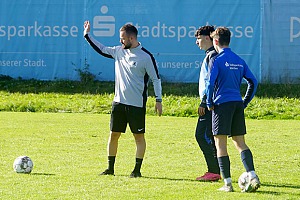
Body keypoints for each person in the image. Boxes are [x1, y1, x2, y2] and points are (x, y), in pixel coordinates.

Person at [83, 21, 163, 178]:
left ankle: (137, 170)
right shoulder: (118, 51)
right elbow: (102, 49)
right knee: (113, 135)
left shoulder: (146, 57)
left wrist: (158, 100)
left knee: (138, 138)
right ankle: (110, 168)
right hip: (118, 103)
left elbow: (156, 79)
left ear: (132, 38)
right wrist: (87, 35)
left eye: (123, 38)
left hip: (136, 106)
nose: (120, 41)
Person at [206, 27, 260, 192]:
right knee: (240, 142)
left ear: (215, 41)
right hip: (237, 103)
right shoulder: (239, 60)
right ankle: (252, 174)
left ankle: (227, 184)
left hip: (221, 104)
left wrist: (209, 102)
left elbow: (209, 84)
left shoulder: (217, 60)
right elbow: (253, 82)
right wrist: (244, 102)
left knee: (220, 144)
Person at [194, 25, 221, 182]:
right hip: (213, 102)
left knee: (202, 135)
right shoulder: (212, 54)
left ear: (207, 38)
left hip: (210, 104)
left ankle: (214, 170)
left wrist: (204, 102)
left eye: (198, 39)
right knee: (210, 136)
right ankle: (217, 170)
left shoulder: (212, 56)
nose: (197, 42)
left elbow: (211, 81)